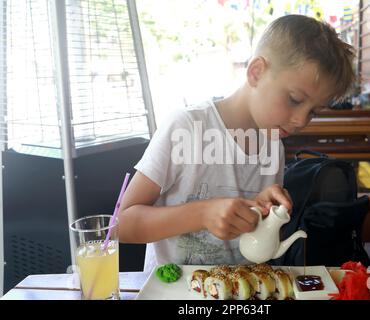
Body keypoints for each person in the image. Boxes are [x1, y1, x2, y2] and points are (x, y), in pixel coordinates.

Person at [118, 14, 355, 271]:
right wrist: (203, 214)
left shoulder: (273, 144)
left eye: (313, 111)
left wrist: (264, 212)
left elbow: (253, 236)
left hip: (243, 287)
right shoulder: (187, 127)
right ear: (256, 72)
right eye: (295, 99)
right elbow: (123, 224)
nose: (301, 121)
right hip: (175, 287)